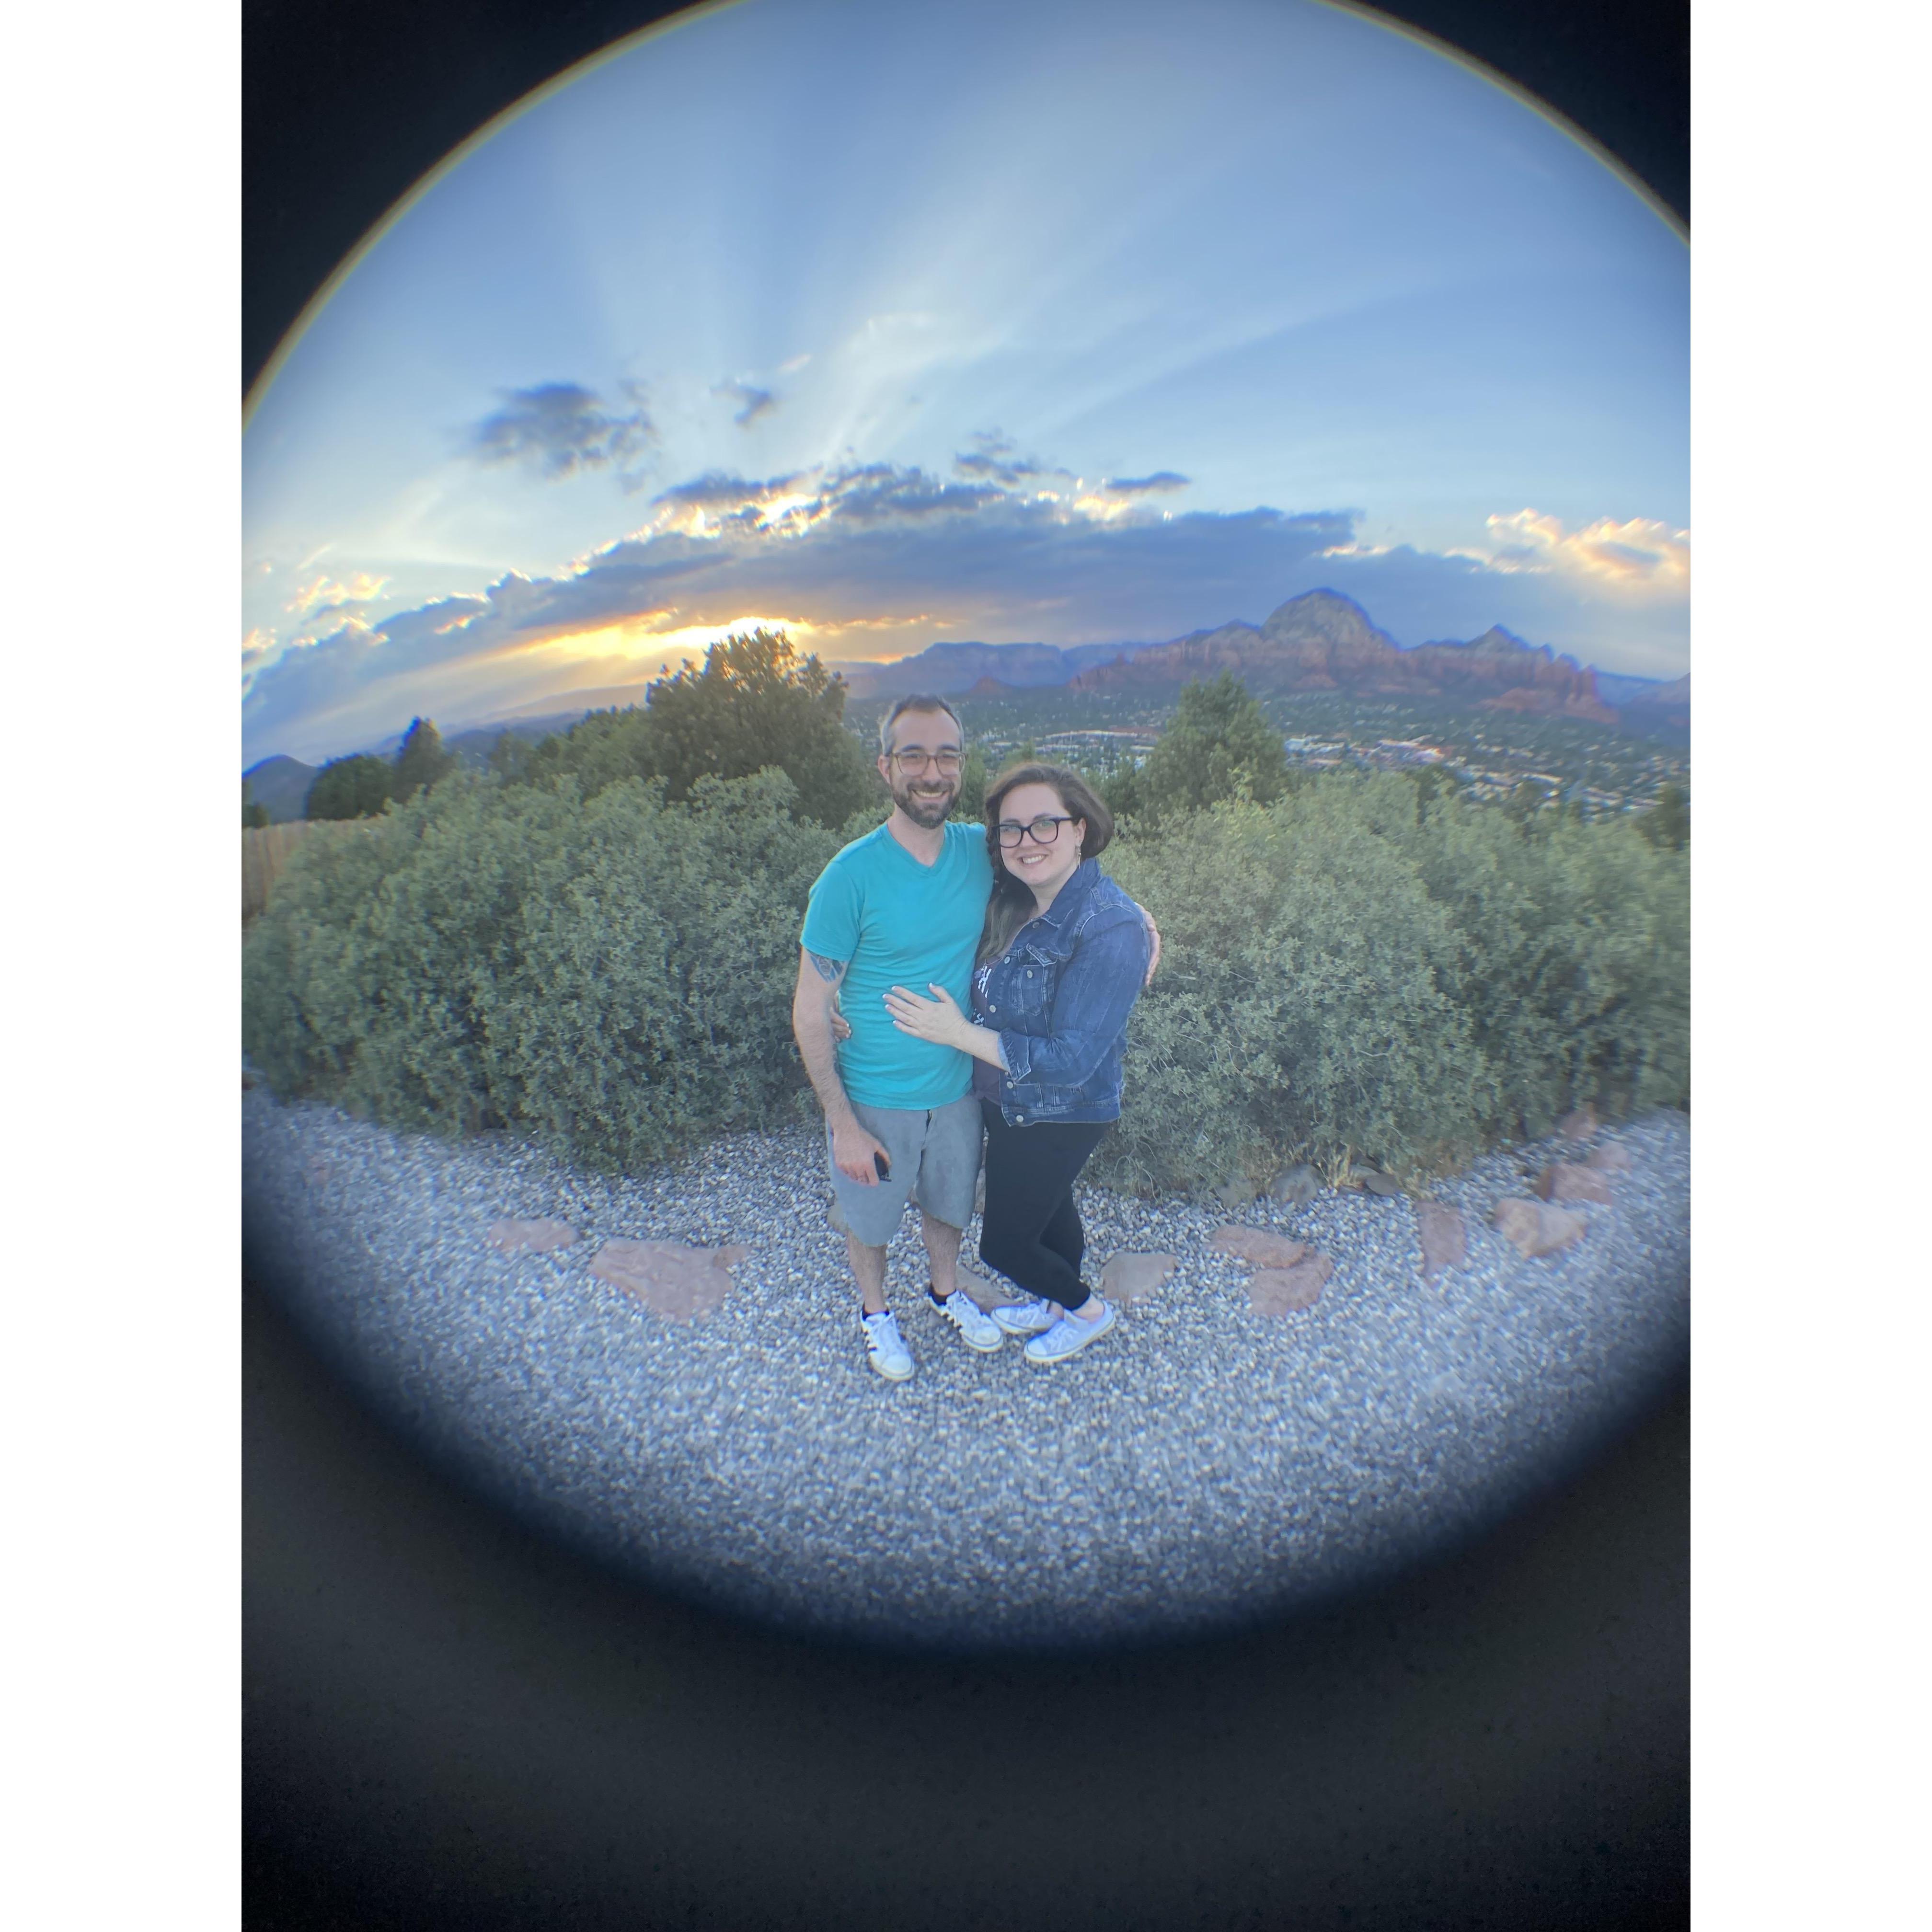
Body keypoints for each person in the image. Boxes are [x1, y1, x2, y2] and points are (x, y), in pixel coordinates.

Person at [792, 701, 1157, 1382]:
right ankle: (875, 1313)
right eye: (914, 756)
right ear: (885, 767)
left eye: (947, 756)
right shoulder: (849, 875)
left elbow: (1063, 880)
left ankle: (944, 1290)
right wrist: (839, 1121)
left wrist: (1138, 919)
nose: (932, 772)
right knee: (869, 1221)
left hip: (964, 1089)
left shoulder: (977, 852)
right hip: (876, 1093)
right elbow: (811, 1006)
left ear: (961, 765)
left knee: (947, 1208)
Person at [883, 762, 1150, 1365]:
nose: (1027, 842)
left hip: (1062, 1109)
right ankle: (1056, 1303)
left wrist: (959, 1034)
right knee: (1053, 1210)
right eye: (1012, 830)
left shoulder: (1110, 927)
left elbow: (1071, 1061)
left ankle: (1086, 1311)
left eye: (1044, 825)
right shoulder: (1013, 901)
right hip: (1007, 1101)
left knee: (1004, 1246)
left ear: (1080, 829)